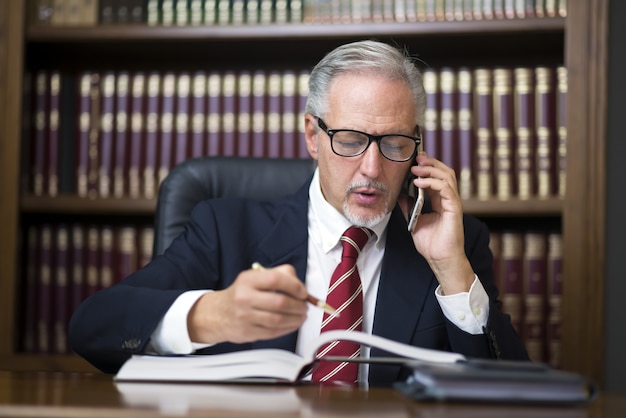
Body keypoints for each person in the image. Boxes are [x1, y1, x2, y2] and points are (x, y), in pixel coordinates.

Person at [69, 40, 529, 387]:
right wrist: (211, 315)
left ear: (417, 147)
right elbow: (93, 327)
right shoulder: (226, 228)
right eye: (349, 140)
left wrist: (452, 271)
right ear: (312, 134)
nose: (372, 169)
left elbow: (511, 394)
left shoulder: (455, 244)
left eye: (394, 144)